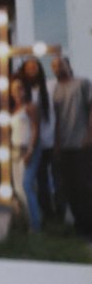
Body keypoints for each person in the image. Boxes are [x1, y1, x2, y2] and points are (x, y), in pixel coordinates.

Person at [51, 56, 92, 237]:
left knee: (85, 186)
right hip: (65, 145)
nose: (58, 67)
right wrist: (57, 143)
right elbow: (58, 119)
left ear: (68, 65)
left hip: (82, 143)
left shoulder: (83, 83)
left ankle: (89, 227)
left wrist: (89, 134)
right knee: (70, 187)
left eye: (61, 64)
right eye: (54, 66)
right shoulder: (57, 89)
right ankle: (79, 227)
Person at [17, 56, 56, 222]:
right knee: (38, 179)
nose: (31, 70)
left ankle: (54, 213)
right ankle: (42, 213)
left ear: (40, 69)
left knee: (53, 178)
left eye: (34, 67)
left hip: (51, 138)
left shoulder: (50, 85)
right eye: (28, 67)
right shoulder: (23, 92)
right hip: (35, 141)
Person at [6, 78, 41, 231]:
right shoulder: (13, 110)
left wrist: (31, 150)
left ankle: (35, 226)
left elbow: (35, 129)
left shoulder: (30, 107)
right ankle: (27, 222)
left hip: (28, 149)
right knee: (18, 188)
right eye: (13, 89)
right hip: (15, 150)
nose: (17, 91)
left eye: (19, 87)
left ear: (25, 89)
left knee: (27, 185)